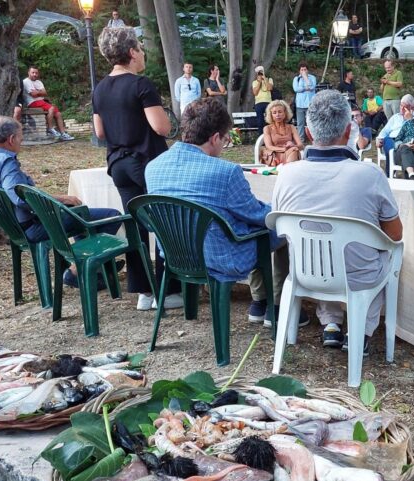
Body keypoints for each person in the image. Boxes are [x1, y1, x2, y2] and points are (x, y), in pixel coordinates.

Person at [273, 90, 403, 354]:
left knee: (321, 245)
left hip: (305, 272)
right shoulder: (370, 174)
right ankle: (362, 332)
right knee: (383, 254)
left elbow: (278, 228)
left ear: (308, 133)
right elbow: (395, 233)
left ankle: (331, 323)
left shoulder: (287, 174)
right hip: (358, 277)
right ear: (348, 131)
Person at [145, 98, 291, 326]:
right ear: (214, 138)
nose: (224, 145)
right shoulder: (226, 171)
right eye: (224, 140)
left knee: (250, 227)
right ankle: (275, 304)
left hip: (176, 256)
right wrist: (280, 212)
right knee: (280, 228)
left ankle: (259, 302)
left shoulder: (153, 167)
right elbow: (256, 214)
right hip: (221, 258)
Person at [0, 116, 122, 288]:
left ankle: (97, 266)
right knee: (111, 215)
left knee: (78, 213)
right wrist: (61, 199)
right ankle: (78, 269)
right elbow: (20, 197)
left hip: (13, 227)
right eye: (20, 137)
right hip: (32, 227)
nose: (21, 142)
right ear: (11, 139)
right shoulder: (6, 162)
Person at [93, 26, 182, 311]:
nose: (142, 54)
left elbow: (100, 131)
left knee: (136, 226)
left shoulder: (100, 88)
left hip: (117, 163)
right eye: (140, 49)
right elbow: (161, 127)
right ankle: (168, 291)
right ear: (132, 52)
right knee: (165, 220)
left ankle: (143, 292)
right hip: (147, 162)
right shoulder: (141, 84)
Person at [22, 66, 74, 141]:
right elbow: (33, 94)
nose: (34, 74)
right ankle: (50, 129)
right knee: (51, 108)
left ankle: (63, 134)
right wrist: (40, 92)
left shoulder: (39, 82)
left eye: (36, 73)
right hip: (32, 102)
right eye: (33, 72)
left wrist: (38, 92)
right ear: (28, 73)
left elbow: (45, 93)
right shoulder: (26, 81)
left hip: (42, 101)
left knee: (58, 114)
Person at [375, 95, 414, 175]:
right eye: (401, 105)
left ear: (411, 107)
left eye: (405, 106)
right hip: (391, 141)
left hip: (405, 142)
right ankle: (392, 170)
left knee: (395, 149)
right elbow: (384, 131)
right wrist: (378, 138)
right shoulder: (395, 117)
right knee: (387, 140)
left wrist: (410, 120)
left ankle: (389, 174)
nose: (402, 108)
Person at [259, 100, 303, 166]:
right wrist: (284, 149)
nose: (277, 115)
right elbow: (269, 146)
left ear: (285, 113)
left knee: (294, 150)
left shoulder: (291, 127)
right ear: (271, 115)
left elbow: (301, 145)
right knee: (293, 151)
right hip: (274, 154)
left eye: (280, 112)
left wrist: (293, 145)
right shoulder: (267, 128)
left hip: (290, 153)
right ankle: (285, 169)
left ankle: (286, 170)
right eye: (274, 113)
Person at [292, 62, 317, 144]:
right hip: (300, 104)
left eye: (305, 69)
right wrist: (305, 88)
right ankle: (301, 141)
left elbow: (312, 87)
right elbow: (296, 89)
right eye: (302, 69)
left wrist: (306, 78)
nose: (303, 71)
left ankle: (313, 139)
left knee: (312, 122)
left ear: (307, 70)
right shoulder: (296, 79)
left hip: (310, 104)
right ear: (299, 71)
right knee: (300, 123)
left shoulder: (312, 77)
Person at [252, 66, 274, 131]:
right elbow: (255, 93)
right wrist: (259, 82)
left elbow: (270, 88)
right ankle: (261, 134)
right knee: (260, 120)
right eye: (259, 72)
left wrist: (265, 79)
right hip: (258, 103)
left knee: (269, 119)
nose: (260, 74)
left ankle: (270, 133)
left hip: (268, 102)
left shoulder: (269, 79)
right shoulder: (254, 82)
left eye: (261, 72)